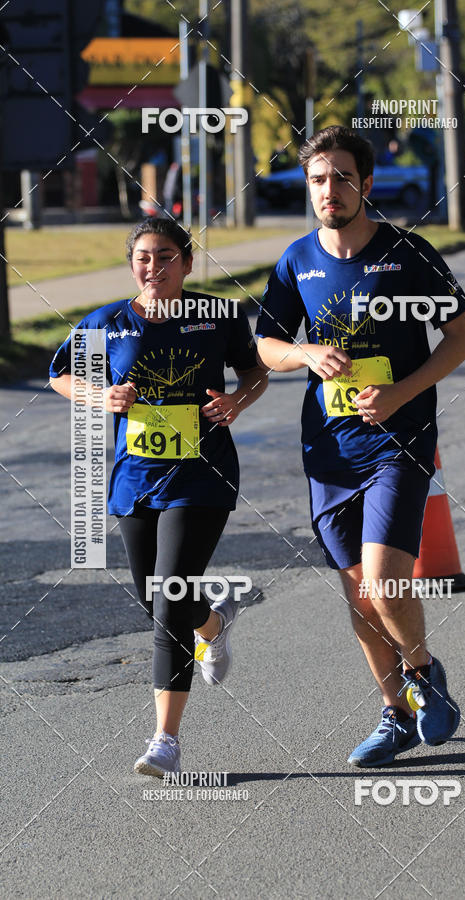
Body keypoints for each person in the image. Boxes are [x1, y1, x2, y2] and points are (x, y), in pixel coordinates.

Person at [256, 125, 465, 767]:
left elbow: (461, 337)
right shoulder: (298, 260)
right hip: (328, 450)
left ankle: (423, 672)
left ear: (366, 185)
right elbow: (265, 346)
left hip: (397, 443)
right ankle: (396, 714)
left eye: (342, 178)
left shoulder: (410, 254)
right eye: (318, 179)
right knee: (357, 593)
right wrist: (302, 352)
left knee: (382, 582)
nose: (330, 190)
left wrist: (403, 392)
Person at [49, 218, 266, 777]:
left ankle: (164, 740)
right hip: (135, 479)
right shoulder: (106, 324)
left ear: (188, 264)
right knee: (154, 598)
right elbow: (61, 376)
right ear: (132, 265)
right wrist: (103, 395)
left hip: (203, 475)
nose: (154, 268)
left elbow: (256, 373)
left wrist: (237, 403)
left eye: (166, 257)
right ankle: (213, 624)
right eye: (144, 258)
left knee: (168, 600)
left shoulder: (217, 316)